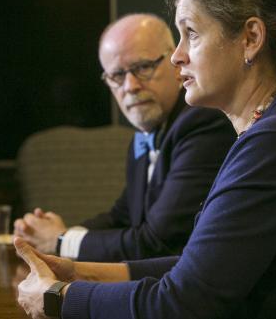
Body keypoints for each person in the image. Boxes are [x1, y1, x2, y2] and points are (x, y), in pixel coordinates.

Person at [14, 0, 276, 318]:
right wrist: (78, 270)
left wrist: (59, 297)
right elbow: (194, 268)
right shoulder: (274, 130)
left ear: (251, 39)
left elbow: (183, 302)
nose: (177, 56)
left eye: (191, 33)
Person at [13, 14, 236, 262]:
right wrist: (54, 233)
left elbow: (158, 242)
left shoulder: (203, 122)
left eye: (142, 67)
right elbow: (123, 217)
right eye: (117, 75)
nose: (130, 86)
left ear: (176, 64)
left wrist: (61, 241)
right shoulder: (143, 137)